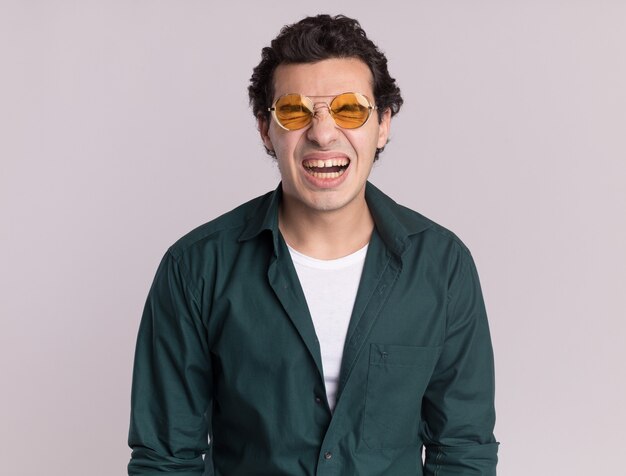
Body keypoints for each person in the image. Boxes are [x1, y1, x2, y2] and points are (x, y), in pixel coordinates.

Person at [128, 14, 498, 476]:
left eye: (349, 110)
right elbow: (166, 459)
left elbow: (462, 450)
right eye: (295, 112)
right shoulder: (197, 267)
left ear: (382, 124)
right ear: (266, 129)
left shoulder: (442, 267)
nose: (322, 134)